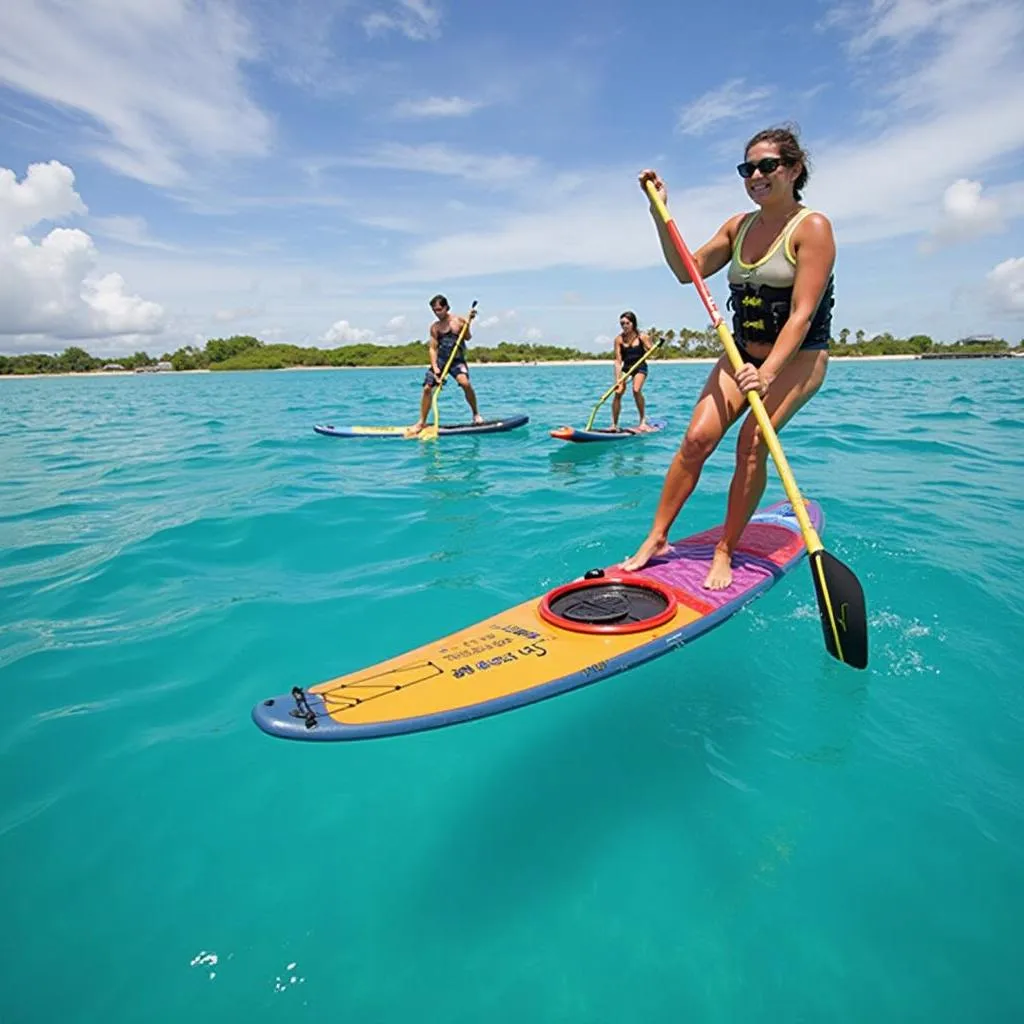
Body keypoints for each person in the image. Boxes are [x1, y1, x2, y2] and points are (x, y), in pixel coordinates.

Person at [621, 124, 835, 588]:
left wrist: (768, 372)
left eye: (768, 166)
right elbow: (688, 271)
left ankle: (726, 549)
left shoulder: (812, 228)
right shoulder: (738, 227)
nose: (756, 174)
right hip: (741, 354)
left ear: (794, 169)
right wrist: (660, 213)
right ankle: (656, 538)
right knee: (697, 440)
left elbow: (801, 315)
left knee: (753, 443)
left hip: (797, 358)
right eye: (748, 168)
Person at [406, 294, 483, 435]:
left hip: (457, 360)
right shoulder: (435, 327)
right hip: (441, 361)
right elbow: (433, 348)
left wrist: (468, 322)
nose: (437, 313)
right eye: (434, 310)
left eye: (439, 309)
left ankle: (476, 414)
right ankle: (421, 422)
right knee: (427, 389)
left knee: (465, 383)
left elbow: (467, 337)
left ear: (447, 307)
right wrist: (435, 369)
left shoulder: (458, 320)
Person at [611, 311, 656, 432]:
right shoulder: (619, 339)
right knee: (618, 392)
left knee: (636, 390)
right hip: (626, 367)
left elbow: (652, 351)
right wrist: (617, 380)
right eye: (622, 323)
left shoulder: (642, 337)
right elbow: (618, 361)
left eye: (627, 323)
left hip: (640, 367)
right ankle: (614, 425)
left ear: (633, 323)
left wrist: (652, 351)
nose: (624, 326)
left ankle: (642, 422)